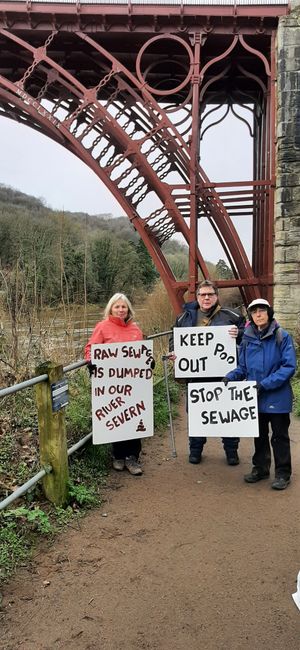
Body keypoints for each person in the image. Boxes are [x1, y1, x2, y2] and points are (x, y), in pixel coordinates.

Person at [170, 280, 245, 465]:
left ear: (216, 296)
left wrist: (240, 333)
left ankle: (231, 451)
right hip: (196, 376)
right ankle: (195, 450)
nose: (206, 298)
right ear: (197, 297)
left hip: (225, 376)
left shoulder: (232, 316)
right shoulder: (184, 318)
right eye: (203, 294)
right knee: (196, 413)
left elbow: (248, 336)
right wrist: (174, 353)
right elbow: (174, 339)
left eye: (210, 294)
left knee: (227, 413)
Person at [225, 297, 297, 490]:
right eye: (254, 311)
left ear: (268, 313)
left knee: (279, 436)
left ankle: (283, 473)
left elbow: (289, 367)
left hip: (277, 396)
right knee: (259, 434)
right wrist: (230, 377)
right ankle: (261, 468)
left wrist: (265, 384)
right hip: (254, 397)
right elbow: (242, 368)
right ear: (250, 315)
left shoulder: (282, 336)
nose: (258, 314)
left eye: (262, 310)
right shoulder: (247, 340)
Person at [84, 293, 144, 476]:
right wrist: (91, 361)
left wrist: (148, 362)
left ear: (128, 310)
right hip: (112, 383)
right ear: (110, 309)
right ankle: (118, 455)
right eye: (117, 306)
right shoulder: (102, 327)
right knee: (117, 415)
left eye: (123, 307)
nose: (120, 310)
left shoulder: (135, 329)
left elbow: (141, 352)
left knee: (134, 416)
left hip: (134, 382)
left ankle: (132, 457)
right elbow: (90, 348)